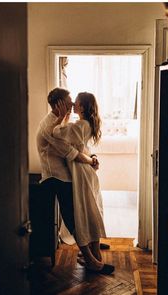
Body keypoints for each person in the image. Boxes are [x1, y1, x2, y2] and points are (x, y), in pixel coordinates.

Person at [53, 92, 115, 274]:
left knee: (85, 213)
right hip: (86, 172)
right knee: (91, 211)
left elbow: (57, 133)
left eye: (76, 102)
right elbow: (82, 147)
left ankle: (93, 257)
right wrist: (92, 157)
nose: (73, 104)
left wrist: (61, 118)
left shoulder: (79, 125)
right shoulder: (86, 124)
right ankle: (95, 255)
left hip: (81, 174)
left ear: (82, 106)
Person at [36, 88, 98, 266]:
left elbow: (77, 145)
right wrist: (91, 161)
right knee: (73, 217)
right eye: (68, 101)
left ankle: (92, 252)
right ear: (59, 104)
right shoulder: (49, 127)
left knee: (80, 214)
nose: (72, 104)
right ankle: (90, 259)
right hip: (56, 177)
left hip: (67, 175)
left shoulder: (60, 122)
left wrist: (92, 157)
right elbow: (71, 152)